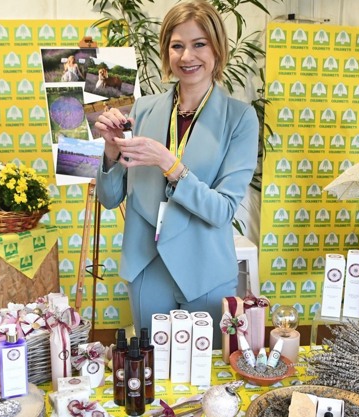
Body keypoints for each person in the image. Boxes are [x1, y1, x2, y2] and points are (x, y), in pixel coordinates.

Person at [94, 0, 259, 347]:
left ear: (217, 49)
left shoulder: (240, 119)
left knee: (205, 371)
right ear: (166, 51)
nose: (187, 56)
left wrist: (171, 165)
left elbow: (222, 210)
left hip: (205, 269)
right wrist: (110, 150)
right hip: (147, 265)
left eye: (199, 44)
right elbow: (109, 198)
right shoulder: (141, 110)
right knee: (153, 366)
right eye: (177, 46)